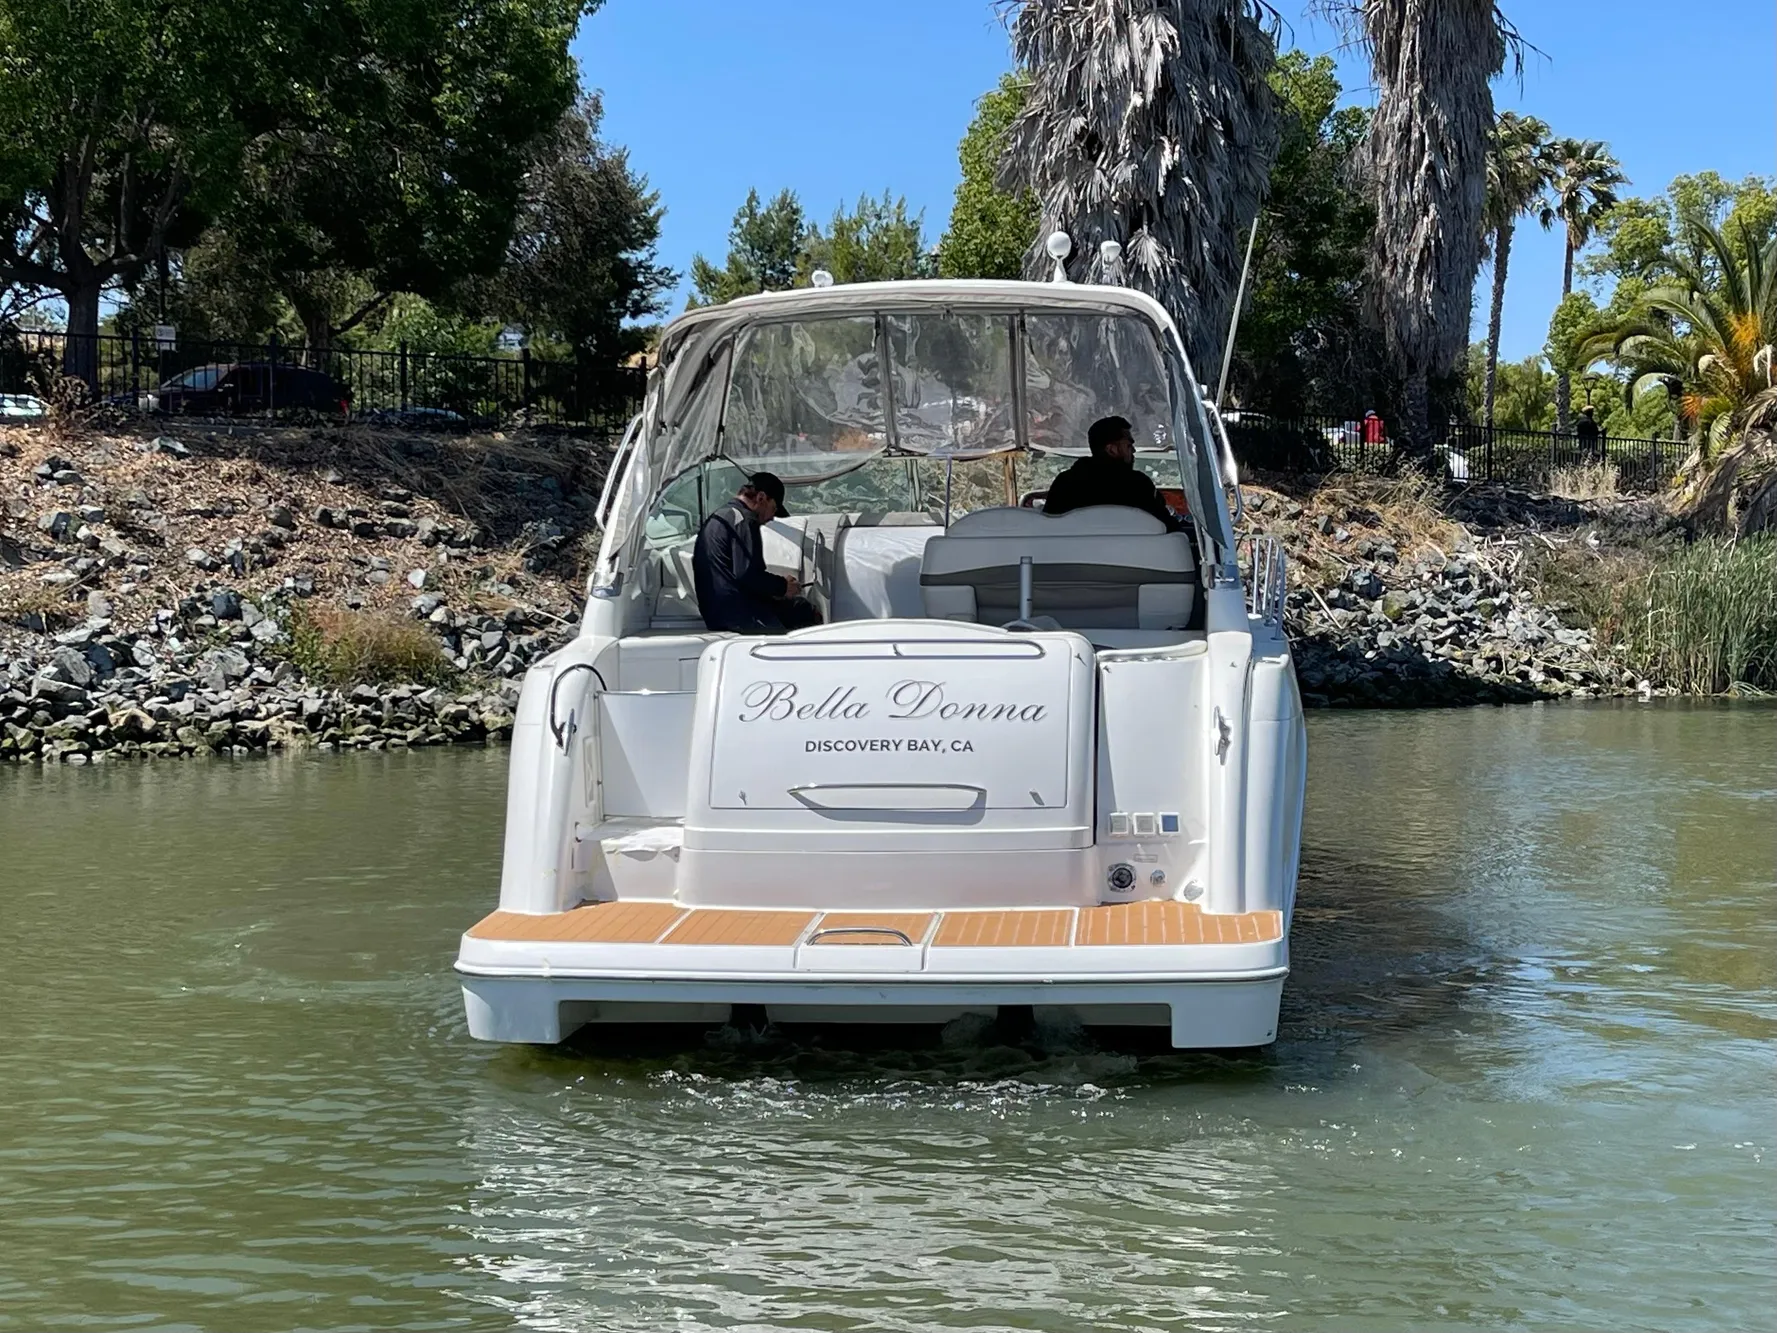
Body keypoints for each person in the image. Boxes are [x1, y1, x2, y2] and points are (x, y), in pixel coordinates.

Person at [692, 472, 822, 634]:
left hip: (716, 612)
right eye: (773, 509)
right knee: (804, 613)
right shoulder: (745, 520)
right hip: (740, 615)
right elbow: (747, 574)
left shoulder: (720, 517)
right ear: (761, 498)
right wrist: (784, 587)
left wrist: (778, 587)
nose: (771, 518)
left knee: (796, 608)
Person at [1041, 415, 1184, 531]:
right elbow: (1167, 526)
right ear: (1111, 449)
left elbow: (1048, 525)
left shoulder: (1064, 483)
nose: (1133, 451)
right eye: (1129, 445)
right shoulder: (1138, 485)